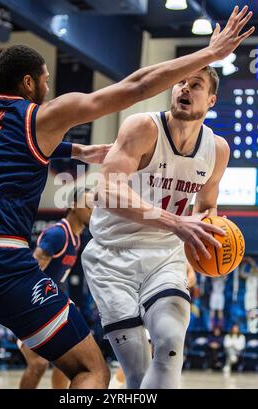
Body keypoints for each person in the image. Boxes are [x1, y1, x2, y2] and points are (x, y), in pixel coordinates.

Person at [0, 6, 253, 389]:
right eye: (47, 80)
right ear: (30, 84)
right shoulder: (46, 115)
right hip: (11, 260)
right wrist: (211, 54)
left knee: (167, 347)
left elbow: (9, 151)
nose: (49, 87)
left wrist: (79, 152)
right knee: (90, 370)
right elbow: (135, 87)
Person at [82, 7, 254, 389]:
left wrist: (203, 241)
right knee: (138, 372)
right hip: (113, 255)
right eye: (181, 82)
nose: (184, 89)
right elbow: (107, 192)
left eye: (195, 85)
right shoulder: (142, 127)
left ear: (211, 102)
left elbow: (207, 207)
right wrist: (178, 223)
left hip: (164, 256)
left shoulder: (218, 149)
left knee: (172, 345)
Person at [18, 187, 92, 389]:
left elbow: (57, 279)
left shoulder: (76, 239)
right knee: (38, 364)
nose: (94, 209)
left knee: (67, 362)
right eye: (89, 204)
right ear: (73, 205)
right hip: (28, 308)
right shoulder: (58, 234)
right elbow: (29, 273)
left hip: (48, 308)